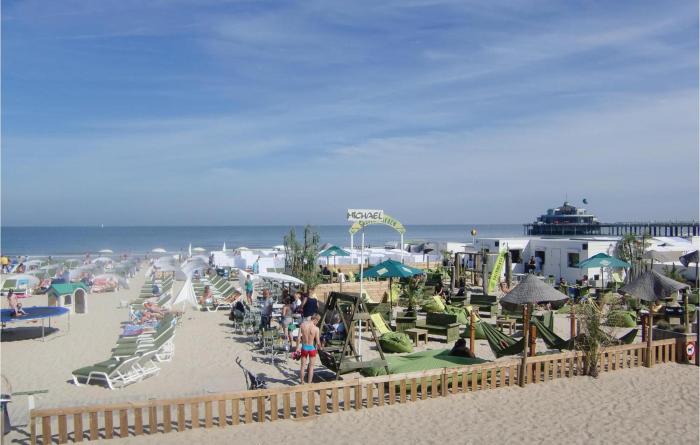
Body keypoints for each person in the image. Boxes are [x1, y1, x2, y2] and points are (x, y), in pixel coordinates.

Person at [296, 313, 322, 384]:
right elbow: (318, 342)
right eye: (318, 321)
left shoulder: (302, 325)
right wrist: (320, 348)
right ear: (315, 319)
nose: (317, 322)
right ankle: (309, 383)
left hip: (304, 347)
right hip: (311, 348)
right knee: (311, 367)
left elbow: (298, 338)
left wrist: (297, 348)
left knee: (302, 366)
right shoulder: (316, 328)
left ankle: (302, 382)